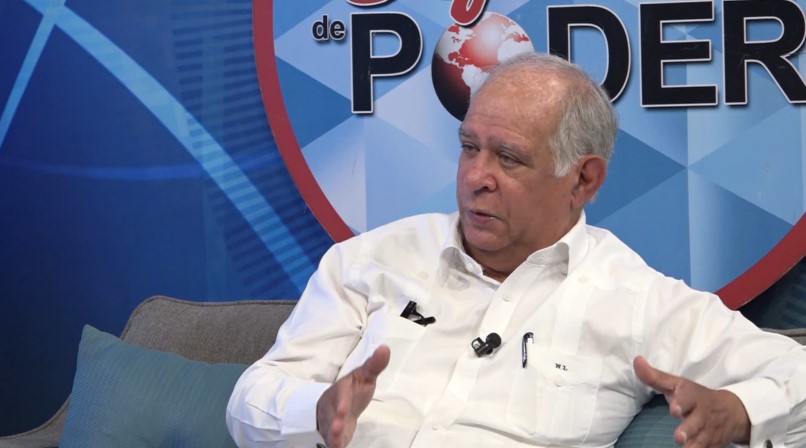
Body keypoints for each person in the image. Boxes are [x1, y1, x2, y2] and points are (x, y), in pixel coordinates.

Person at [226, 52, 806, 448]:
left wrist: (741, 412)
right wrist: (316, 411)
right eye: (468, 147)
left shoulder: (636, 300)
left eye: (508, 158)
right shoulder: (371, 260)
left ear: (583, 180)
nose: (475, 177)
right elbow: (251, 398)